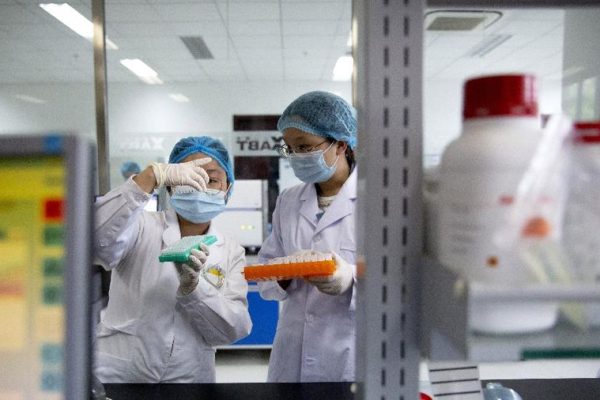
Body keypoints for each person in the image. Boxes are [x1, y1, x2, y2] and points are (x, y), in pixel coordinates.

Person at [94, 136, 252, 383]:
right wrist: (150, 176)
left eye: (211, 180)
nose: (200, 187)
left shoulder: (231, 251)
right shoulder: (140, 226)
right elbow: (94, 242)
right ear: (170, 186)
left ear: (228, 188)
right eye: (189, 179)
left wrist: (195, 291)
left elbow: (233, 329)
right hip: (121, 375)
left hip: (190, 378)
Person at [258, 91, 357, 382]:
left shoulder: (380, 200)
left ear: (340, 144)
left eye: (304, 146)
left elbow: (399, 279)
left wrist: (349, 277)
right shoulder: (289, 200)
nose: (296, 157)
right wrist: (281, 274)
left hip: (349, 352)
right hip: (293, 353)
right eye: (289, 148)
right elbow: (266, 270)